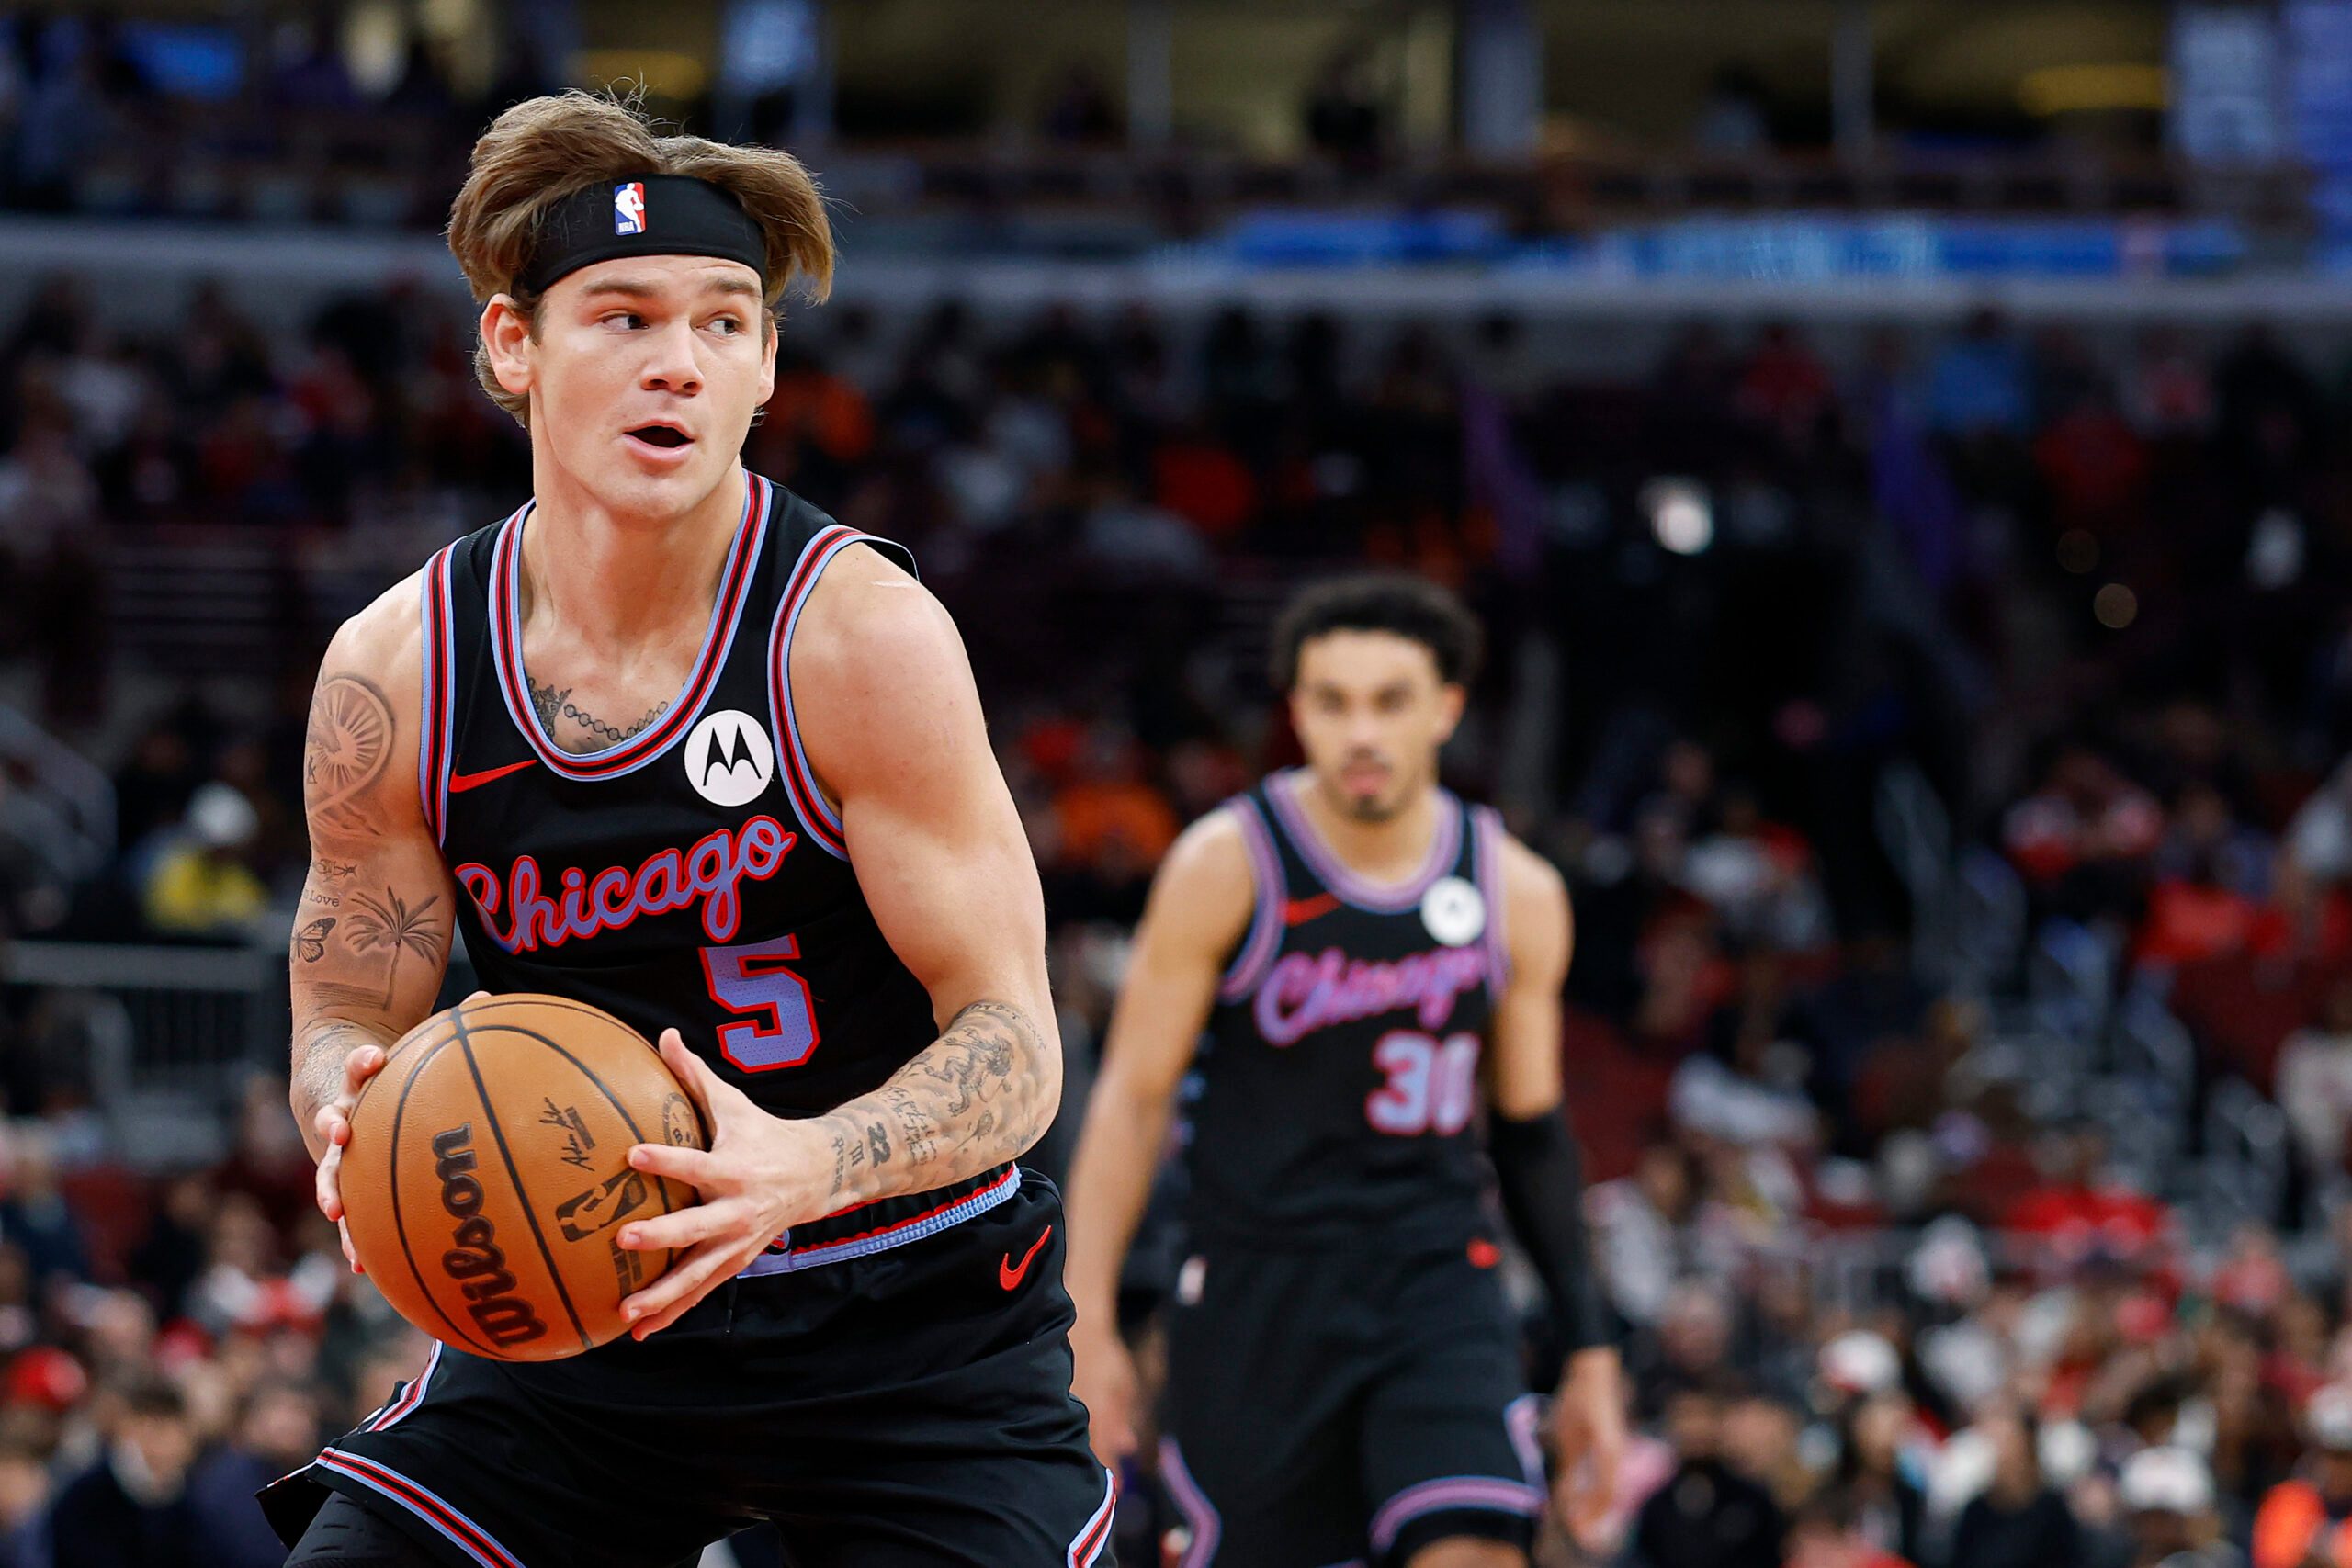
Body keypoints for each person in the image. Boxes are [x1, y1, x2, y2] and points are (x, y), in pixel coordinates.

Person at [261, 91, 1110, 1568]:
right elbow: (347, 989)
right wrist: (346, 1095)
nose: (680, 362)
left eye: (726, 323)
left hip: (900, 1307)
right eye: (625, 317)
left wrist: (807, 1165)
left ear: (769, 365)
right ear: (513, 346)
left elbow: (1017, 1042)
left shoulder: (858, 637)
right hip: (584, 1314)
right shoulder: (398, 669)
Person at [1065, 576, 1624, 1568]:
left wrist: (1588, 1349)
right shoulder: (1226, 863)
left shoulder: (1516, 890)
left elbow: (1532, 1133)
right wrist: (1087, 1318)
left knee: (1474, 1549)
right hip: (1256, 1288)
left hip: (1436, 1280)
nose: (1360, 731)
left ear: (1448, 708)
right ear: (1295, 712)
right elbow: (1133, 1099)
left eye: (1390, 701)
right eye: (1332, 702)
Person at [2253, 1384, 2352, 1568]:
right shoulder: (2286, 1501)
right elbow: (2269, 1558)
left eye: (2345, 1457)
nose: (2338, 1466)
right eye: (2330, 1454)